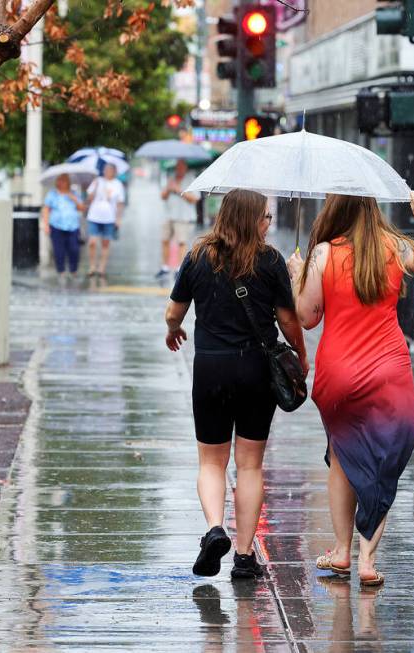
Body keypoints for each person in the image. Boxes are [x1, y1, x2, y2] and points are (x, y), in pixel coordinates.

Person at [286, 191, 414, 586]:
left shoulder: (323, 255)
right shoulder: (397, 247)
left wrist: (296, 274)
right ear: (372, 209)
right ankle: (367, 560)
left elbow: (307, 317)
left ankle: (340, 551)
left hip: (339, 373)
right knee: (383, 461)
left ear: (336, 210)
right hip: (388, 370)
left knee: (342, 455)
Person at [164, 189, 308, 580]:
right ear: (248, 219)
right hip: (255, 371)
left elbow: (173, 310)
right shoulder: (271, 260)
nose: (268, 223)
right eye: (264, 216)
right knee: (250, 465)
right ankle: (244, 558)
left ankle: (214, 528)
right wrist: (301, 354)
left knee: (211, 461)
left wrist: (174, 329)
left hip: (211, 369)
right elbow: (288, 321)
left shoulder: (198, 255)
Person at [157, 159, 199, 277]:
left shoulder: (191, 179)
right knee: (164, 240)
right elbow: (163, 197)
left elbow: (195, 199)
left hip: (183, 216)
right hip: (168, 214)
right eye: (177, 166)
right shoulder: (170, 178)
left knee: (182, 242)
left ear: (185, 167)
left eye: (181, 166)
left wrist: (179, 190)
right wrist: (168, 189)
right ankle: (165, 267)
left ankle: (179, 268)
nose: (179, 169)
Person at [41, 174, 85, 282]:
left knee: (74, 249)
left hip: (72, 226)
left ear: (68, 182)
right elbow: (46, 209)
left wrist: (73, 198)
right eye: (60, 180)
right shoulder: (52, 194)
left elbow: (82, 208)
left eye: (64, 180)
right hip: (56, 226)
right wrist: (46, 224)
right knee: (58, 250)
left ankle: (73, 271)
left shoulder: (74, 194)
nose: (62, 182)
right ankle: (61, 272)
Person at [85, 163, 125, 277]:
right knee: (92, 242)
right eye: (105, 169)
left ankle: (101, 268)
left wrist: (118, 219)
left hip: (109, 218)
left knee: (105, 243)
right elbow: (89, 198)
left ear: (114, 171)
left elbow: (120, 203)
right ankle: (92, 266)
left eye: (110, 170)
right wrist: (96, 186)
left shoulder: (118, 184)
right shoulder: (97, 181)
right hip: (94, 216)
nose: (107, 171)